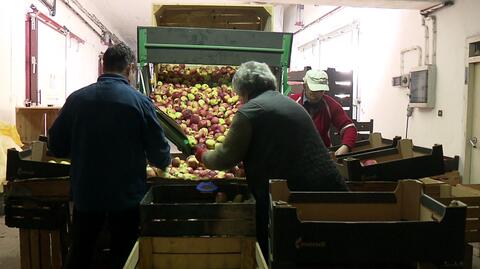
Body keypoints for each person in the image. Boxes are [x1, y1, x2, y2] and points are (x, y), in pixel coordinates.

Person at [195, 61, 348, 258]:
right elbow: (278, 145)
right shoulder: (290, 104)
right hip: (328, 190)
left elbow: (224, 158)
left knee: (283, 252)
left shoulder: (249, 111)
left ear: (245, 90)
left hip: (291, 198)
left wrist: (201, 155)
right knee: (324, 253)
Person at [48, 43, 171, 269]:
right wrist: (164, 163)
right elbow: (159, 151)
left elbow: (55, 145)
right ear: (130, 69)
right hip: (126, 196)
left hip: (86, 193)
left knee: (82, 250)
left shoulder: (77, 99)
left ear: (103, 66)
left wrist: (81, 151)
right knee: (123, 253)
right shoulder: (140, 102)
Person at [289, 69, 357, 155]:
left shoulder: (330, 105)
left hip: (322, 156)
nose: (317, 94)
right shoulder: (291, 104)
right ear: (305, 86)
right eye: (314, 91)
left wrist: (346, 147)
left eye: (321, 91)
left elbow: (349, 128)